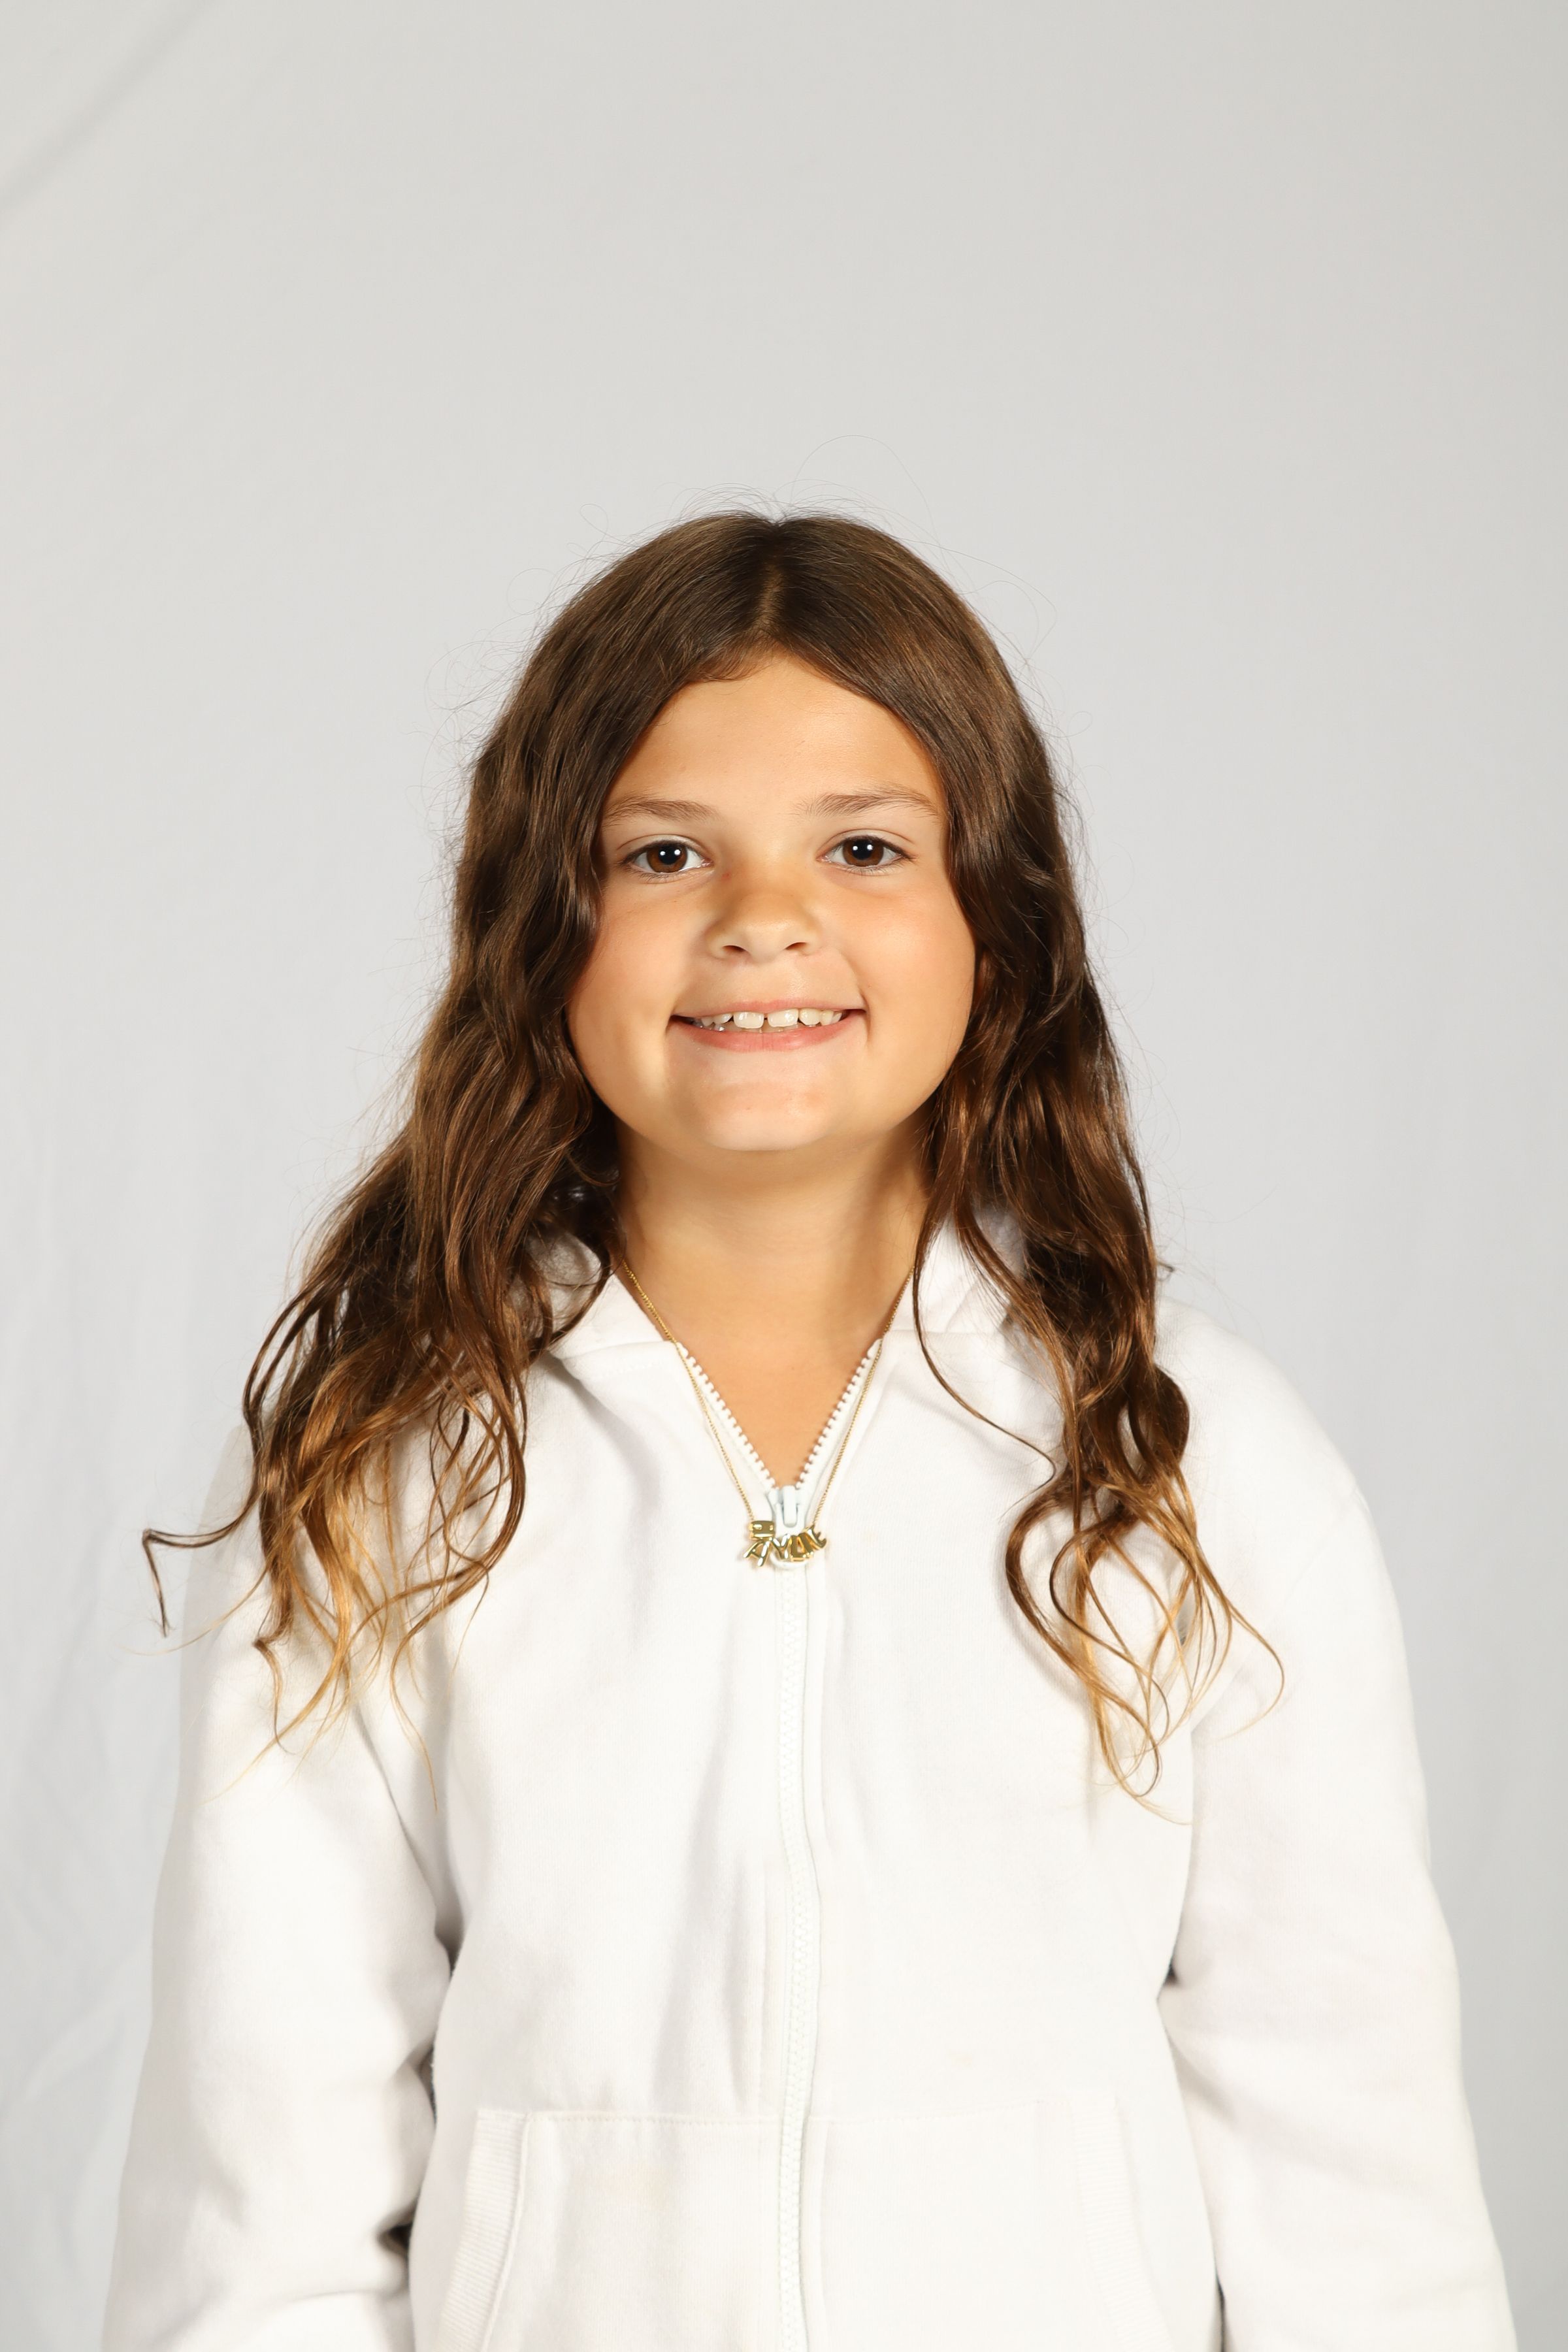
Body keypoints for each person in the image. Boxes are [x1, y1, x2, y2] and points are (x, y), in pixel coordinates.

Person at [105, 513, 1514, 2351]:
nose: (763, 917)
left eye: (863, 846)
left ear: (994, 917)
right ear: (543, 926)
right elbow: (260, 2198)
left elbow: (1352, 2179)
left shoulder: (1197, 1463)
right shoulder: (385, 1463)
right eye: (664, 852)